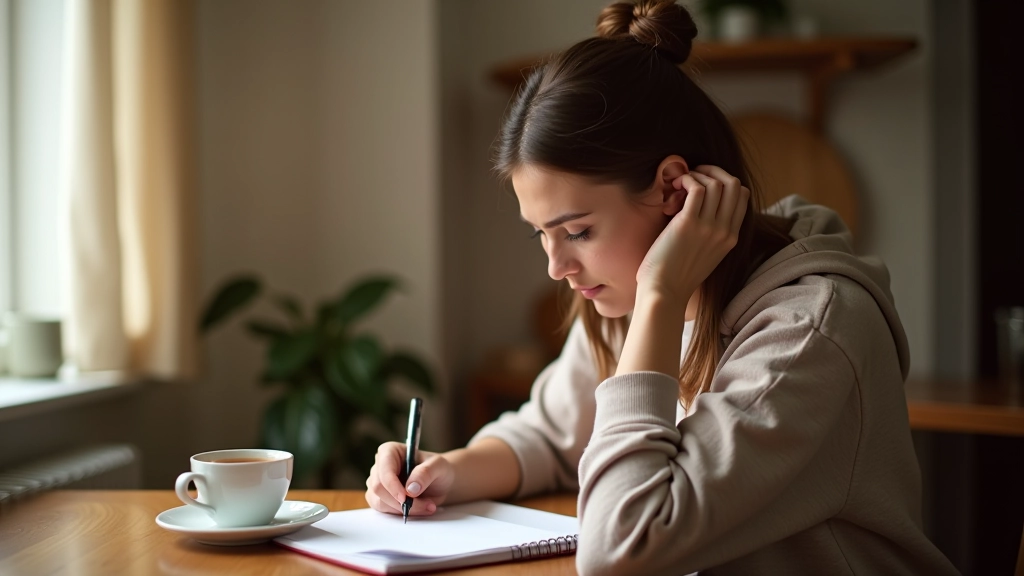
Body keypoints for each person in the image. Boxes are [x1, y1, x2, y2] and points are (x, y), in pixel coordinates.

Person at [365, 1, 958, 574]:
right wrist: (446, 470)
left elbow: (625, 546)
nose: (557, 268)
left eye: (577, 230)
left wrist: (659, 298)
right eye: (539, 235)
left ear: (675, 191)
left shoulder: (811, 334)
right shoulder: (616, 293)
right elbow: (551, 435)